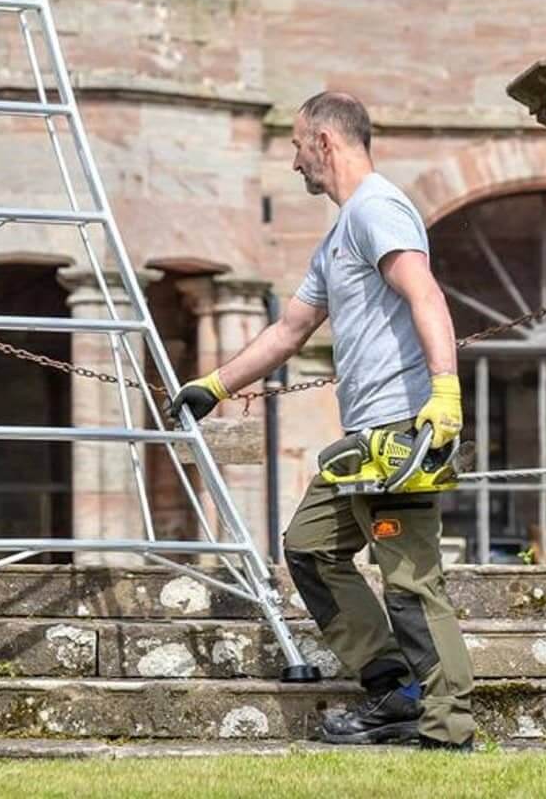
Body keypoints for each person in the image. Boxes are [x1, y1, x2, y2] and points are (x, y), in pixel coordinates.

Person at [168, 91, 475, 750]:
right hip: (363, 442)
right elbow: (290, 329)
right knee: (309, 547)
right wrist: (213, 385)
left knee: (410, 583)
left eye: (298, 145)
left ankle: (447, 728)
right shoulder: (340, 233)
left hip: (402, 434)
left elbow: (425, 293)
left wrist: (444, 394)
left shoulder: (379, 209)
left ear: (326, 144)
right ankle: (394, 690)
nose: (293, 161)